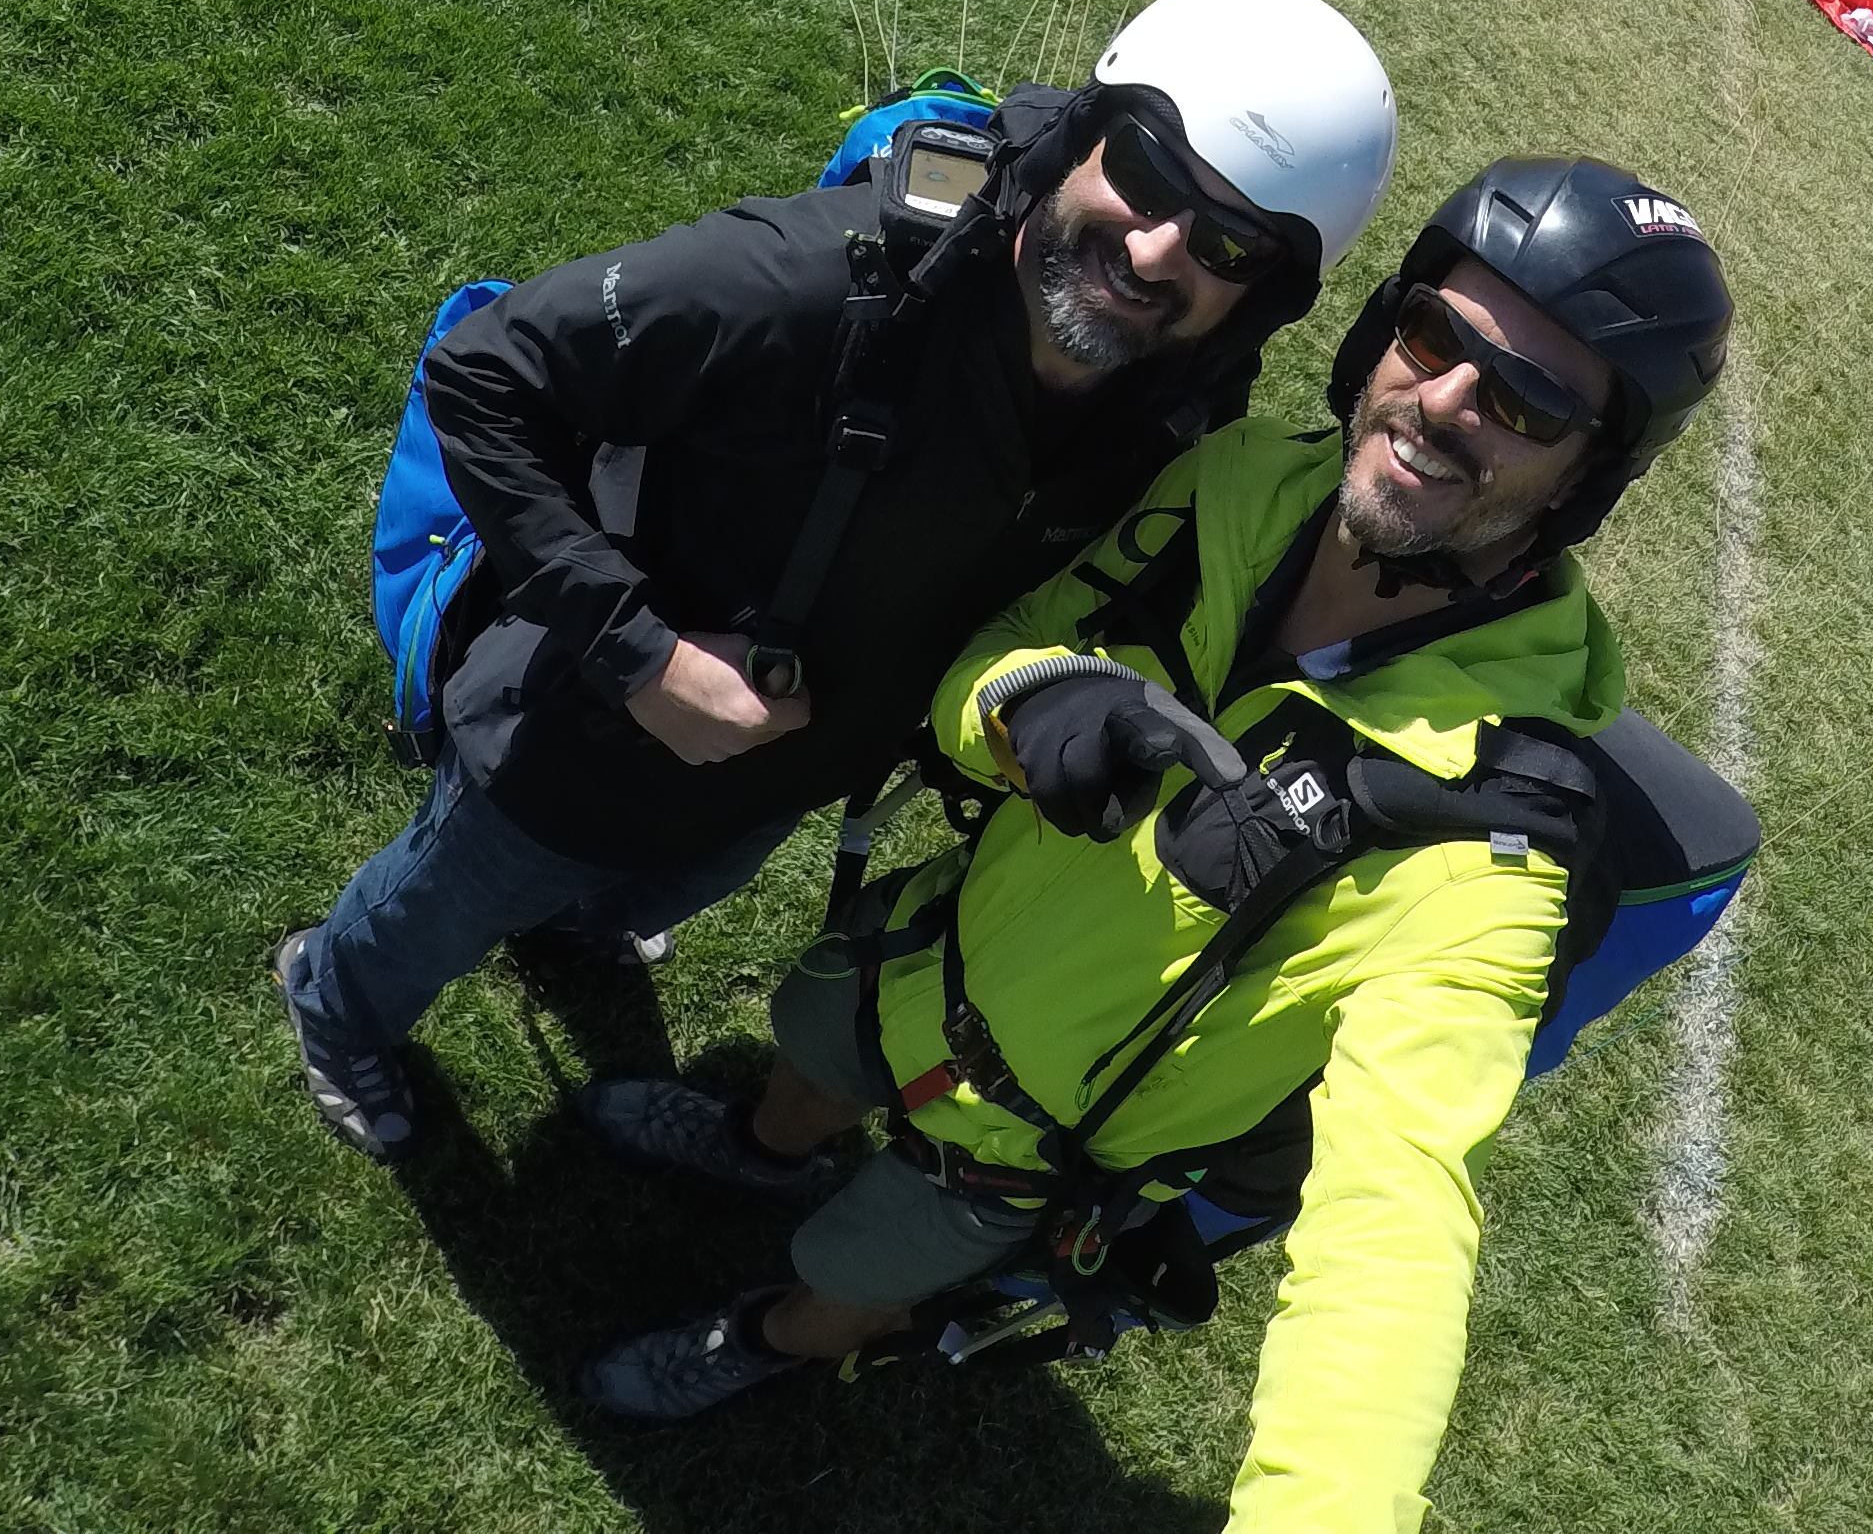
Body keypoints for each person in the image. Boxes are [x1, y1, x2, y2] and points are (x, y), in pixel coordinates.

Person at [575, 157, 1734, 1534]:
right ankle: (760, 1145)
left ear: (1584, 478)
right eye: (1434, 338)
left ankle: (765, 1340)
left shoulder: (1495, 827)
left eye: (1526, 401)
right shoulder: (1243, 477)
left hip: (1024, 1143)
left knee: (854, 1271)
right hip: (923, 954)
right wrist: (1025, 701)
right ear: (1384, 331)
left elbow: (1399, 1220)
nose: (1443, 406)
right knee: (804, 1059)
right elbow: (988, 667)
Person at [275, 0, 1399, 1160]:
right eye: (1150, 169)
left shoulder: (1181, 394)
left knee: (640, 890)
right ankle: (335, 998)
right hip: (581, 734)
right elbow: (486, 376)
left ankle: (579, 925)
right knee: (448, 898)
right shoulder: (814, 279)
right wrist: (638, 654)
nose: (1156, 247)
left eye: (1225, 241)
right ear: (1085, 132)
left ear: (1260, 294)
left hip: (792, 763)